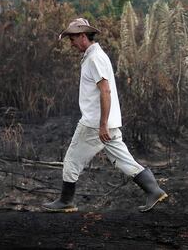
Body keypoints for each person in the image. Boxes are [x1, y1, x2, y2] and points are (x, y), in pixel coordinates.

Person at [43, 18, 168, 213]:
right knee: (123, 159)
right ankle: (154, 190)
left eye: (73, 39)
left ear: (83, 36)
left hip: (95, 123)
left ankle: (66, 201)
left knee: (72, 160)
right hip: (106, 122)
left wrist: (102, 124)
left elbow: (105, 91)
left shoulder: (94, 58)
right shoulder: (95, 56)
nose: (71, 43)